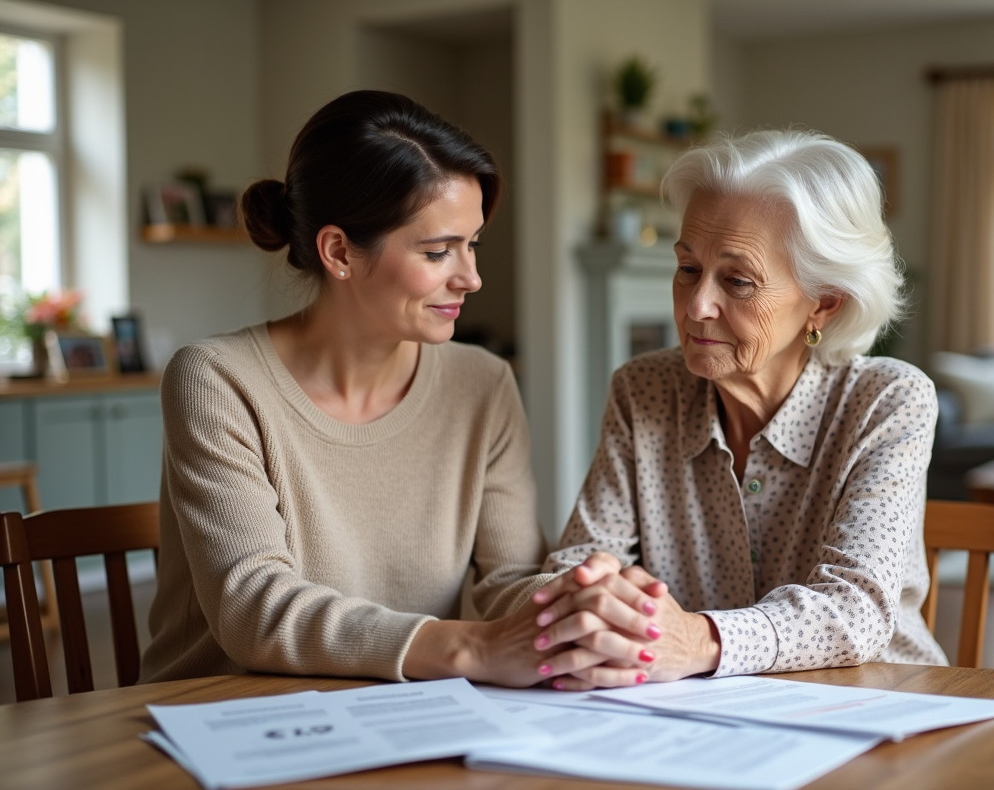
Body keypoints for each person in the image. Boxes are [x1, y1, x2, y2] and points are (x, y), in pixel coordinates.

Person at [141, 90, 641, 687]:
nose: (472, 277)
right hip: (227, 725)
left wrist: (573, 601)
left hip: (407, 719)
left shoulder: (484, 382)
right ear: (338, 252)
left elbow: (509, 579)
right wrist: (471, 650)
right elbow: (255, 610)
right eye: (437, 252)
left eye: (472, 243)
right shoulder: (217, 379)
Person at [529, 129, 949, 689]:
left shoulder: (885, 400)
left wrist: (698, 639)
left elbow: (855, 610)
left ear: (823, 302)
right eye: (686, 269)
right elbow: (576, 564)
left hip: (877, 704)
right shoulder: (643, 388)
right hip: (696, 709)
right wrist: (597, 597)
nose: (697, 306)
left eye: (738, 281)